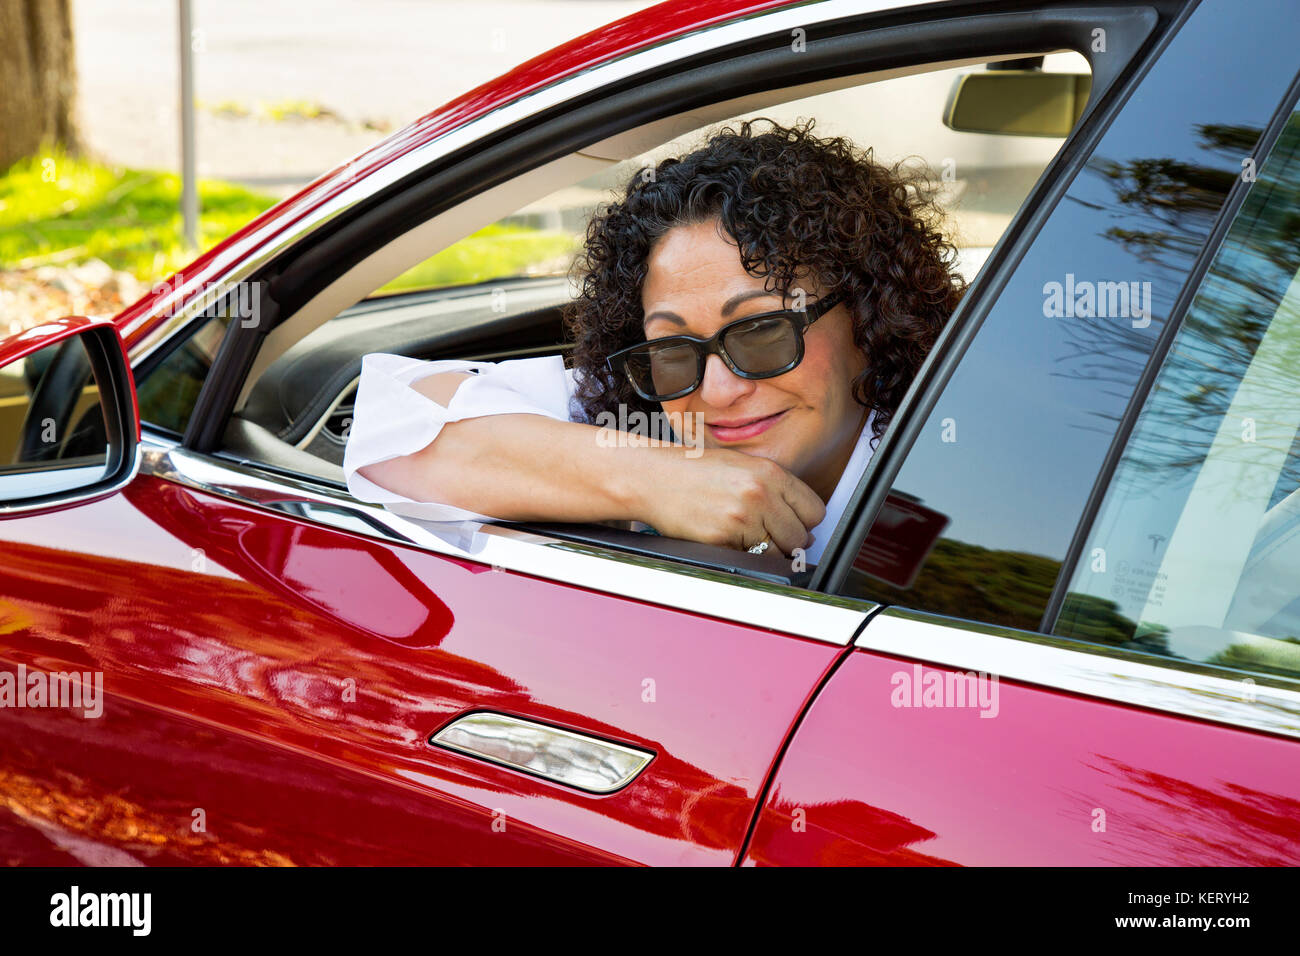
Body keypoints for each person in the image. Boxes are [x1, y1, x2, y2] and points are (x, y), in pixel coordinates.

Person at [343, 118, 964, 565]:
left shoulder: (964, 475)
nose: (718, 391)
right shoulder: (645, 413)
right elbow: (391, 426)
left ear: (869, 311)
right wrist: (653, 479)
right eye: (673, 348)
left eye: (762, 331)